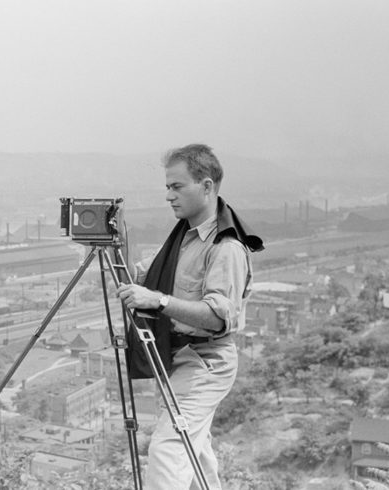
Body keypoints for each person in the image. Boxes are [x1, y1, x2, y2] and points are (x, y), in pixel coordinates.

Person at [116, 144, 263, 489]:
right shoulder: (183, 239)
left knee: (169, 448)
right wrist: (116, 240)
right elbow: (138, 280)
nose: (169, 195)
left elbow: (217, 317)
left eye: (177, 186)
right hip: (178, 357)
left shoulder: (225, 248)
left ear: (207, 186)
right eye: (167, 186)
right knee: (196, 453)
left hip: (205, 361)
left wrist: (159, 300)